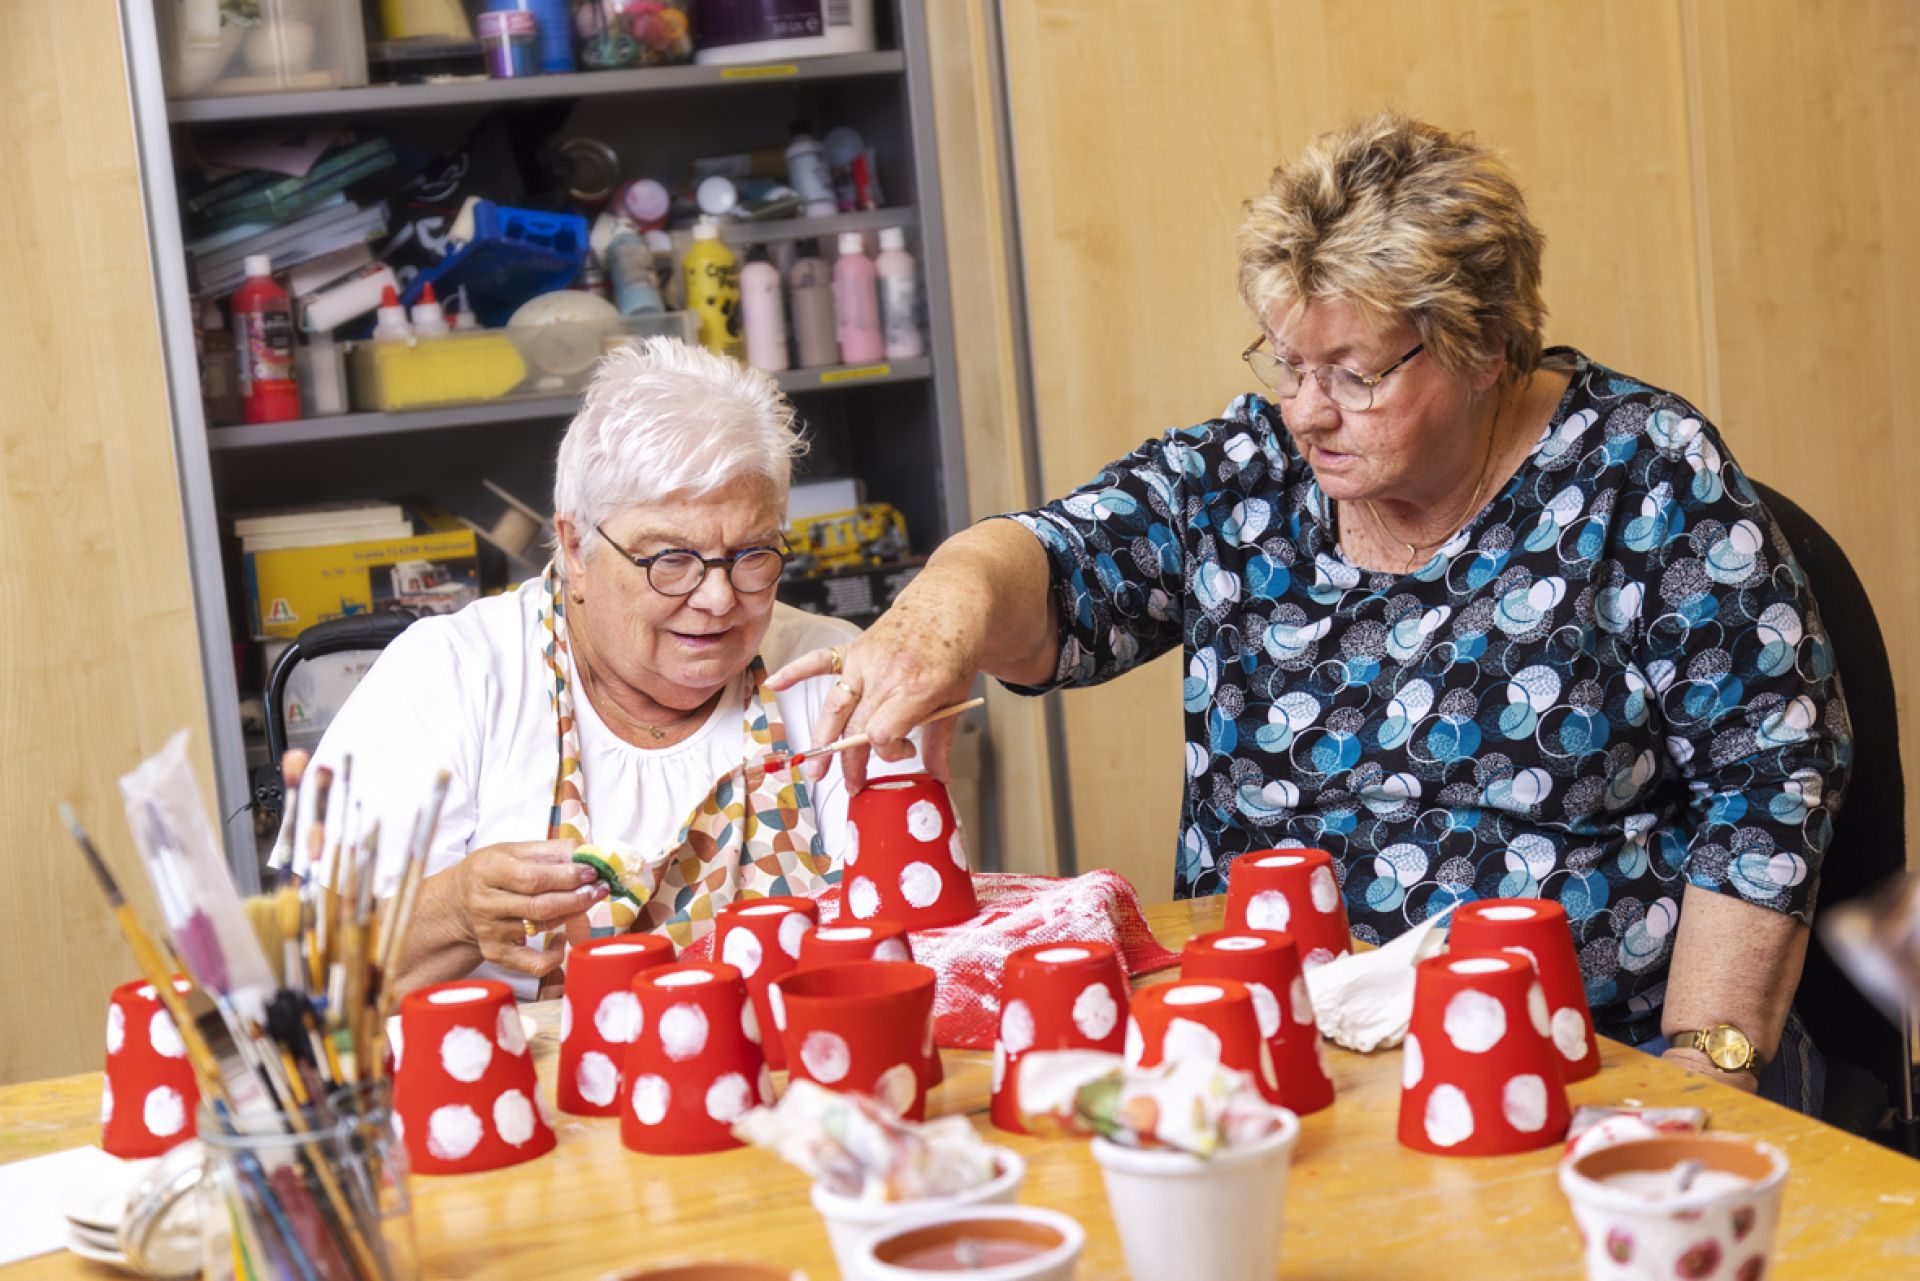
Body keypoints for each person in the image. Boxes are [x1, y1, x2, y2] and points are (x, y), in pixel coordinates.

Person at [776, 112, 1850, 1113]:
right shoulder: (1247, 478)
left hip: (1572, 1062)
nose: (1306, 411)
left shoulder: (1642, 475)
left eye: (1352, 371)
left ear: (1481, 347)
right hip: (1279, 1060)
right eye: (1288, 362)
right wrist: (932, 621)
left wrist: (1707, 1065)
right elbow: (1050, 565)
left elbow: (1769, 778)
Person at [288, 338, 911, 998]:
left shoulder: (827, 675)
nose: (719, 598)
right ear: (575, 546)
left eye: (752, 553)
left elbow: (913, 937)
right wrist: (454, 911)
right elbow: (313, 980)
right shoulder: (451, 675)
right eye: (670, 558)